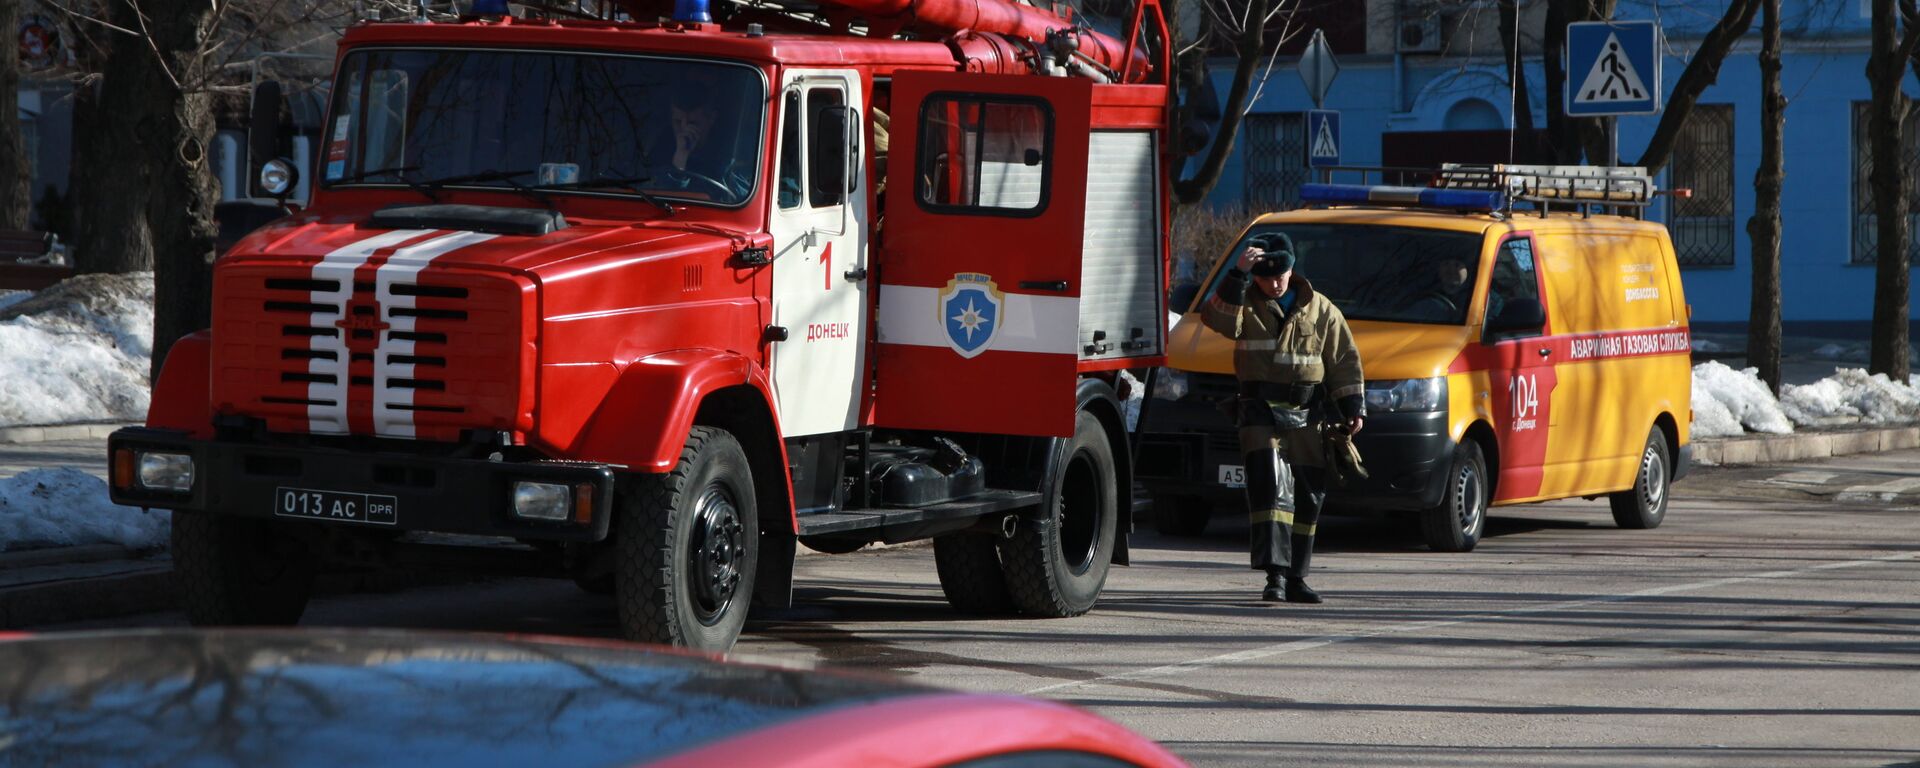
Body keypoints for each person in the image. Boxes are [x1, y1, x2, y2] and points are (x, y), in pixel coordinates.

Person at [1200, 232, 1365, 603]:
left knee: (1308, 495)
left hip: (1308, 416)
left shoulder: (1321, 309)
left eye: (1281, 275)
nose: (1274, 284)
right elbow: (1215, 318)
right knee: (1272, 492)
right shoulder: (1243, 303)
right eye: (1265, 277)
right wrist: (1238, 274)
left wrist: (1353, 407)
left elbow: (1344, 361)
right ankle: (1274, 576)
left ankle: (1297, 577)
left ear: (1292, 269)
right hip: (1260, 414)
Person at [1407, 256, 1472, 322]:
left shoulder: (1477, 297)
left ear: (1467, 271)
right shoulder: (1426, 301)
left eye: (1457, 265)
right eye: (1446, 264)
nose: (1451, 269)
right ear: (1439, 270)